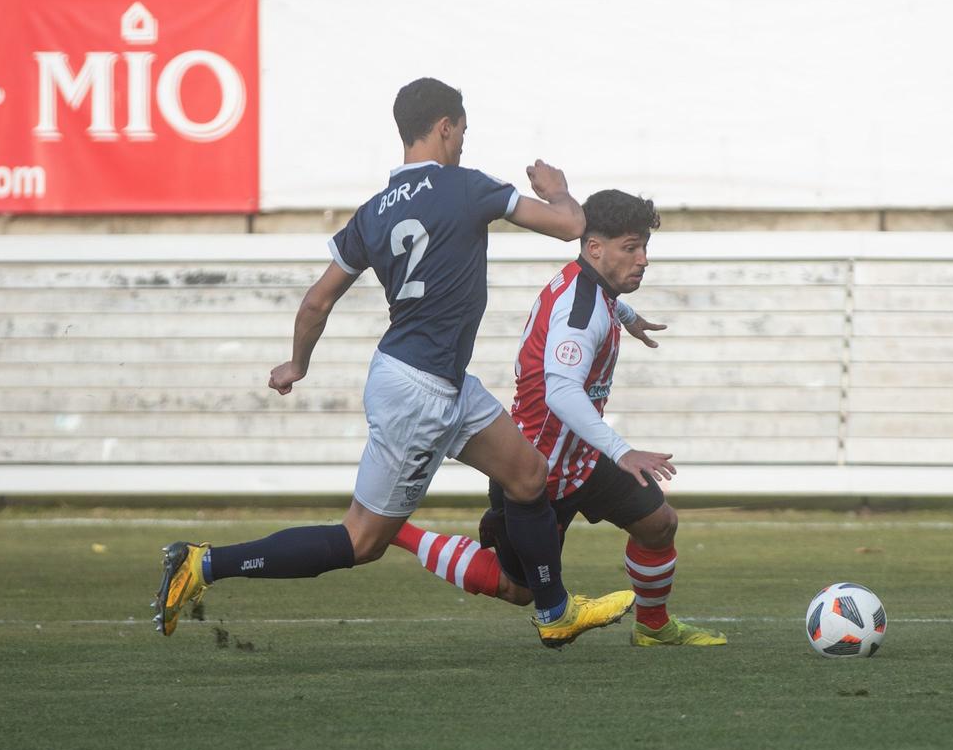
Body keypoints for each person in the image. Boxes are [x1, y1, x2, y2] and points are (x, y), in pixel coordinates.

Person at [154, 78, 635, 648]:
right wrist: (558, 189)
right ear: (445, 127)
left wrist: (297, 364)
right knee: (361, 542)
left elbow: (317, 300)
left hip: (439, 381)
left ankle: (555, 614)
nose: (460, 143)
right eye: (461, 133)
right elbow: (574, 227)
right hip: (418, 393)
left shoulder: (373, 212)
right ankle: (202, 564)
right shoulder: (467, 187)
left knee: (529, 476)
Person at [391, 189, 726, 647]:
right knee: (517, 590)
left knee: (659, 523)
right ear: (595, 248)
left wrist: (627, 315)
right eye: (631, 248)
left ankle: (653, 626)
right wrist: (623, 450)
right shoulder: (581, 311)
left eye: (645, 246)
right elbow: (562, 392)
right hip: (536, 468)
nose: (644, 259)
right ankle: (398, 532)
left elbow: (599, 305)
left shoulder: (591, 287)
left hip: (581, 459)